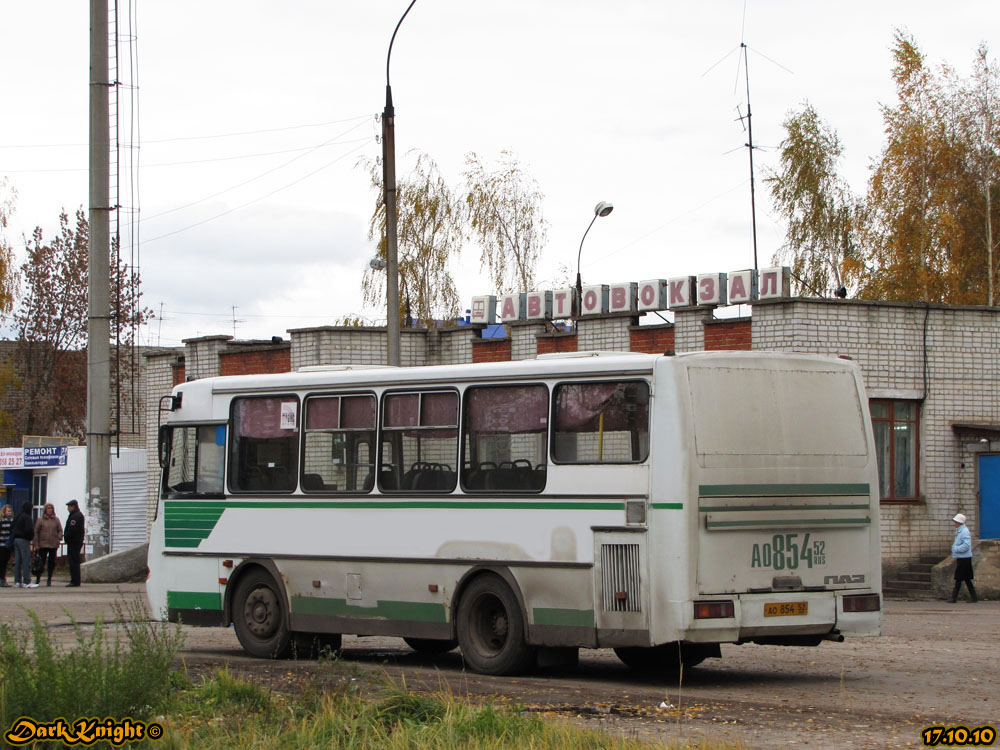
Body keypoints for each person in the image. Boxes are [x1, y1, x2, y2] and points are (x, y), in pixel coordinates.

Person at [33, 502, 63, 587]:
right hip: (43, 544)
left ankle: (49, 578)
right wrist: (36, 543)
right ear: (45, 510)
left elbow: (60, 529)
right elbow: (36, 531)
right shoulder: (40, 520)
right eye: (48, 509)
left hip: (53, 544)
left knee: (51, 562)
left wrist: (59, 537)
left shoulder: (56, 520)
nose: (49, 510)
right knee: (41, 562)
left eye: (51, 509)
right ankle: (38, 578)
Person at [950, 513, 977, 603]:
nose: (955, 523)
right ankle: (974, 597)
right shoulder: (960, 531)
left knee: (958, 578)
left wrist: (956, 549)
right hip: (962, 558)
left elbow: (966, 545)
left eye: (956, 522)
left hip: (964, 559)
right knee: (966, 578)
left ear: (959, 522)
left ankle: (954, 598)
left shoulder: (964, 531)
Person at [12, 503, 36, 588]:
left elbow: (12, 526)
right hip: (24, 539)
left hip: (16, 539)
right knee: (26, 560)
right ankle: (27, 581)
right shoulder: (27, 517)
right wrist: (30, 537)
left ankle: (17, 581)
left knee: (17, 561)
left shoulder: (18, 516)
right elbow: (29, 529)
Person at [64, 499, 85, 587]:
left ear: (73, 506)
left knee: (74, 562)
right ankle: (75, 580)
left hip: (74, 542)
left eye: (69, 506)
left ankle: (75, 581)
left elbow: (72, 529)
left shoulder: (75, 516)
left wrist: (67, 536)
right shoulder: (76, 515)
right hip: (75, 541)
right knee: (74, 561)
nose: (68, 508)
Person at [0, 504, 13, 586]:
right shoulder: (1, 520)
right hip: (1, 544)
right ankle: (2, 579)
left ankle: (3, 578)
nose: (9, 512)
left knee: (5, 562)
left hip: (8, 545)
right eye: (8, 511)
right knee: (2, 562)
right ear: (4, 512)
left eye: (10, 511)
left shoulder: (12, 520)